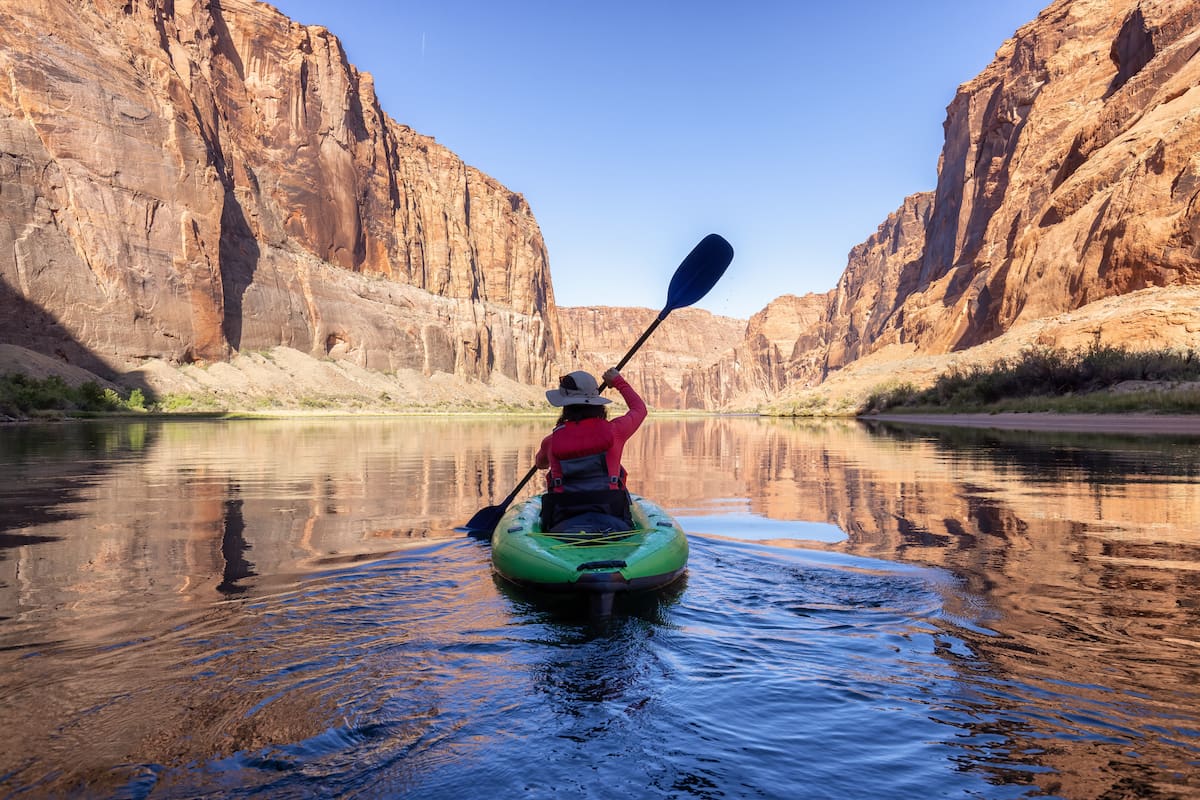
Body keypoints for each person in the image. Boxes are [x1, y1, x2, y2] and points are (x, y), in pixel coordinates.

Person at [534, 367, 647, 533]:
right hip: (613, 518)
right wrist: (617, 381)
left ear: (565, 406)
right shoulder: (616, 431)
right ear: (597, 403)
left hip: (562, 521)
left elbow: (540, 464)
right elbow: (639, 409)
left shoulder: (550, 442)